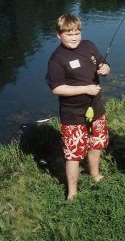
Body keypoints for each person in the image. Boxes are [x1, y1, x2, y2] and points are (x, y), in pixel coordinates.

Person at [46, 14, 110, 200]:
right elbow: (57, 88)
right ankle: (72, 192)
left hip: (96, 108)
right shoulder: (56, 59)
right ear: (59, 35)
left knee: (96, 143)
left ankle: (95, 174)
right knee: (73, 154)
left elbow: (103, 63)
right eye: (68, 33)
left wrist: (105, 68)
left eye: (77, 32)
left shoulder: (89, 45)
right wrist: (86, 89)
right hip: (73, 115)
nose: (74, 37)